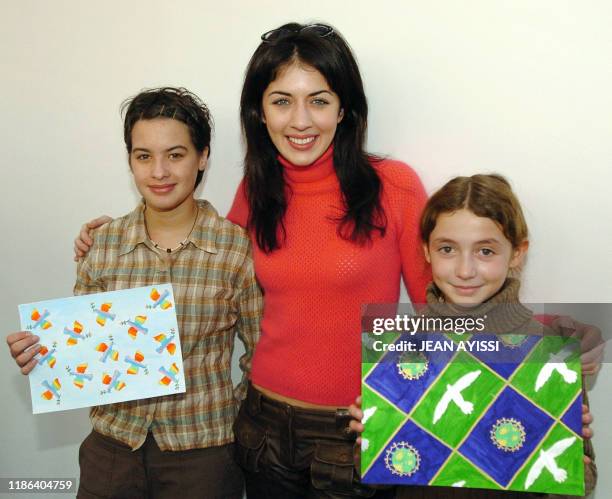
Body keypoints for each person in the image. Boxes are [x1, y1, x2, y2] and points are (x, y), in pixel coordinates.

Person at [69, 22, 603, 498]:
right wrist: (112, 235)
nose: (300, 120)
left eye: (318, 100)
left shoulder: (393, 187)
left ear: (344, 107)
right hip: (257, 428)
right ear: (260, 110)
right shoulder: (255, 194)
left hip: (355, 434)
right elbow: (198, 277)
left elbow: (447, 312)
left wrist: (539, 381)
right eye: (281, 101)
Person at [7, 87, 261, 499]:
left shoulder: (236, 248)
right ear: (130, 161)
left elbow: (262, 352)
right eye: (144, 156)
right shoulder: (102, 245)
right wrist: (43, 356)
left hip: (204, 458)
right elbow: (83, 348)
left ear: (203, 157)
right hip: (112, 452)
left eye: (175, 155)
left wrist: (228, 415)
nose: (158, 171)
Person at [349, 174, 597, 498]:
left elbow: (587, 479)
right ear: (426, 250)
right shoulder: (400, 347)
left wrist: (569, 459)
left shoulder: (547, 349)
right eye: (448, 249)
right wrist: (369, 442)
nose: (465, 270)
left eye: (485, 252)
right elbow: (374, 478)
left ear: (517, 253)